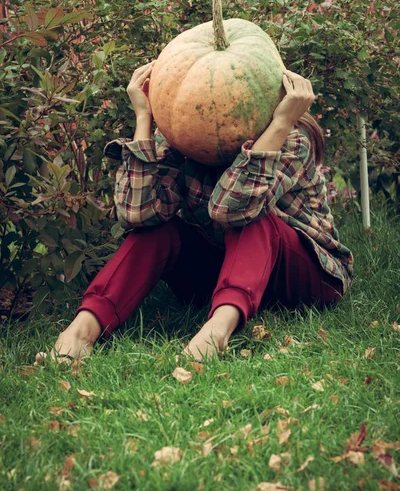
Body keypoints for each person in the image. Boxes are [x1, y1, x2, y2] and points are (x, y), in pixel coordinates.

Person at [35, 62, 353, 364]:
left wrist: (282, 122)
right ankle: (82, 331)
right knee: (157, 231)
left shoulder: (293, 138)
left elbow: (232, 210)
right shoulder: (184, 136)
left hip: (305, 278)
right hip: (226, 273)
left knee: (254, 222)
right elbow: (138, 214)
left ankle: (215, 335)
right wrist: (144, 118)